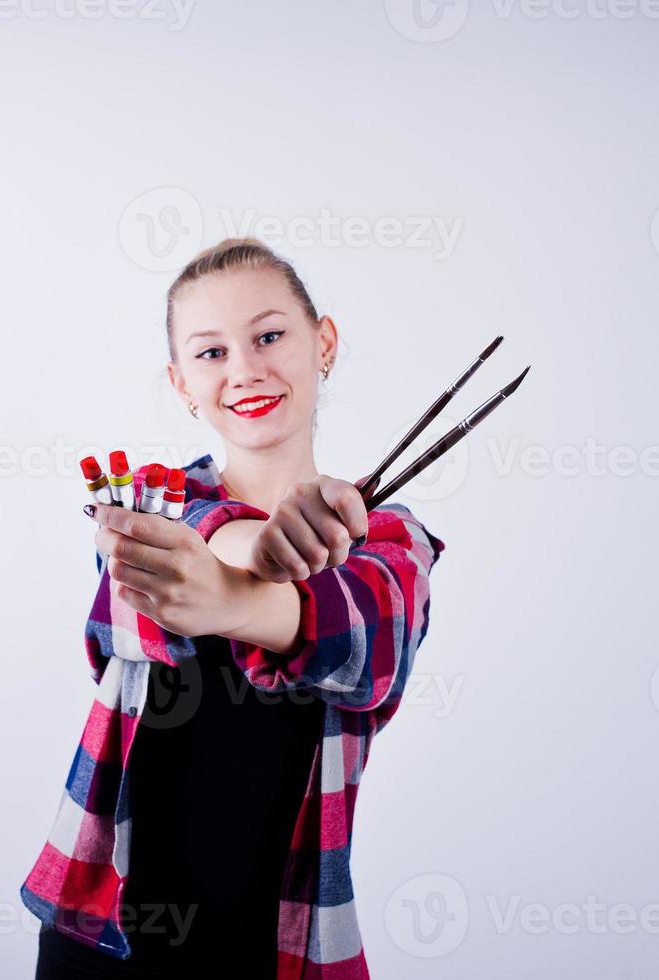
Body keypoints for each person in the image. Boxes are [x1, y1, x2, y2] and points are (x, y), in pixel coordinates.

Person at [24, 237, 446, 979]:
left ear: (324, 344)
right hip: (105, 938)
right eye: (210, 352)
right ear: (181, 383)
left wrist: (231, 598)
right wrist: (257, 549)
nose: (245, 368)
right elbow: (123, 615)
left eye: (270, 336)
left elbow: (364, 659)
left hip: (283, 948)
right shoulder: (152, 503)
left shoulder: (386, 538)